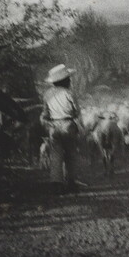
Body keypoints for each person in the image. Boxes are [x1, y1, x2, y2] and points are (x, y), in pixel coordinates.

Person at [40, 64, 81, 194]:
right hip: (68, 125)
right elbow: (77, 111)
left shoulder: (47, 95)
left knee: (56, 155)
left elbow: (45, 113)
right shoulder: (69, 93)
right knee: (70, 154)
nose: (70, 80)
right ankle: (71, 182)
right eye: (68, 79)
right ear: (64, 80)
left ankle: (56, 184)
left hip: (53, 127)